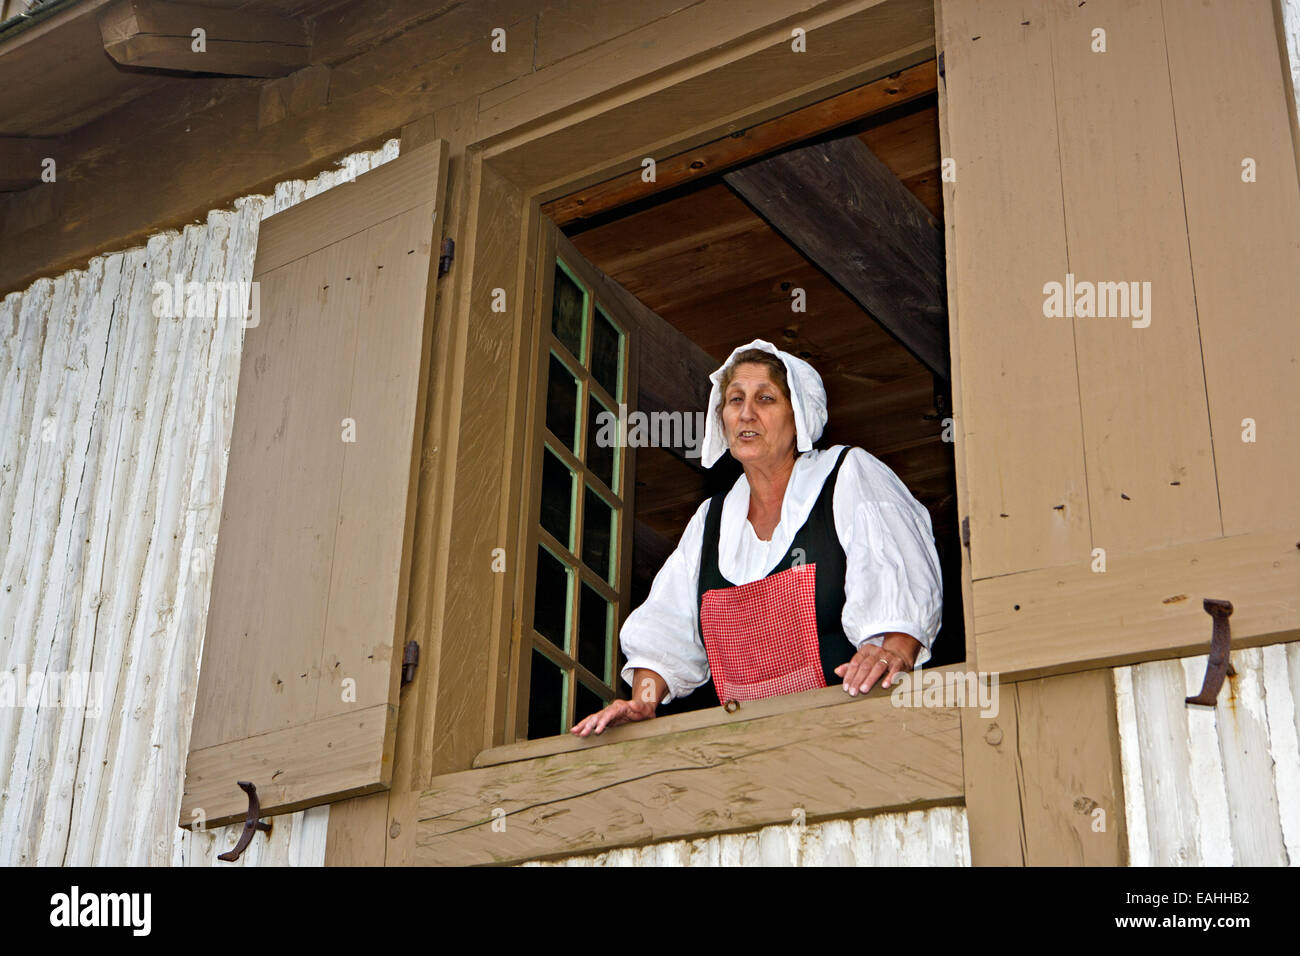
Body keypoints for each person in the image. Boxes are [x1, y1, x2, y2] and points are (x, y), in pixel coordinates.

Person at [570, 339, 943, 736]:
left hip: (855, 731)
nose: (747, 413)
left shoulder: (847, 475)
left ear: (799, 415)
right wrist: (642, 701)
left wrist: (895, 653)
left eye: (765, 398)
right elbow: (666, 627)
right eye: (735, 400)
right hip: (749, 755)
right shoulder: (710, 521)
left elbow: (903, 589)